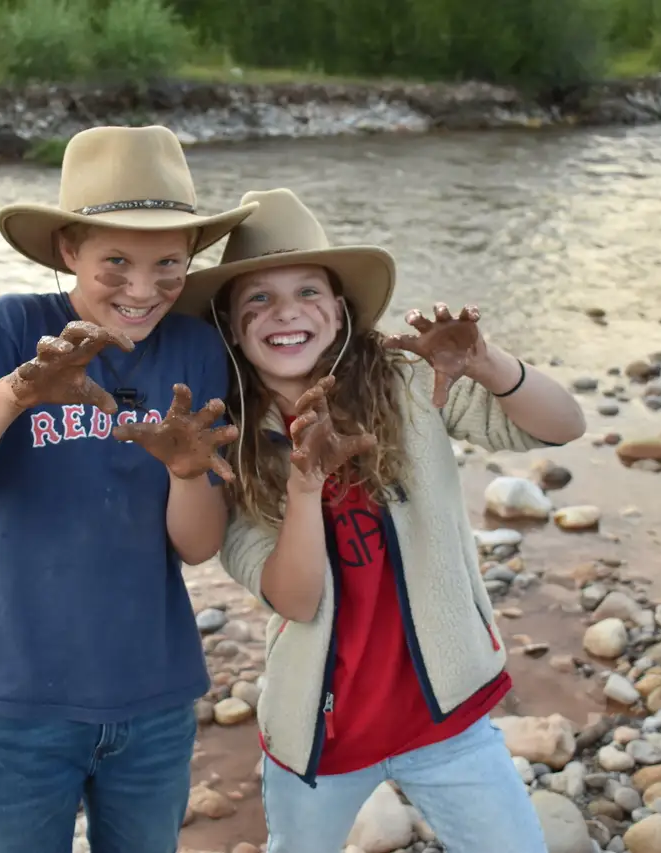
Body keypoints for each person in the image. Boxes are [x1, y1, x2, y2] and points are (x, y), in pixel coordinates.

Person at [179, 188, 587, 852]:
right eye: (257, 299)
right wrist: (305, 488)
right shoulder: (227, 442)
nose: (285, 312)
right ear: (228, 324)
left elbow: (563, 425)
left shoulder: (405, 382)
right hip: (319, 732)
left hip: (445, 717)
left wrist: (487, 362)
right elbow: (295, 596)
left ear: (339, 312)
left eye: (308, 291)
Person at [0, 125, 259, 853]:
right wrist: (14, 394)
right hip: (16, 702)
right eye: (115, 260)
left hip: (152, 699)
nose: (143, 287)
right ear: (69, 249)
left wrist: (188, 470)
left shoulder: (193, 348)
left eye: (169, 264)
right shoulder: (13, 328)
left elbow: (196, 545)